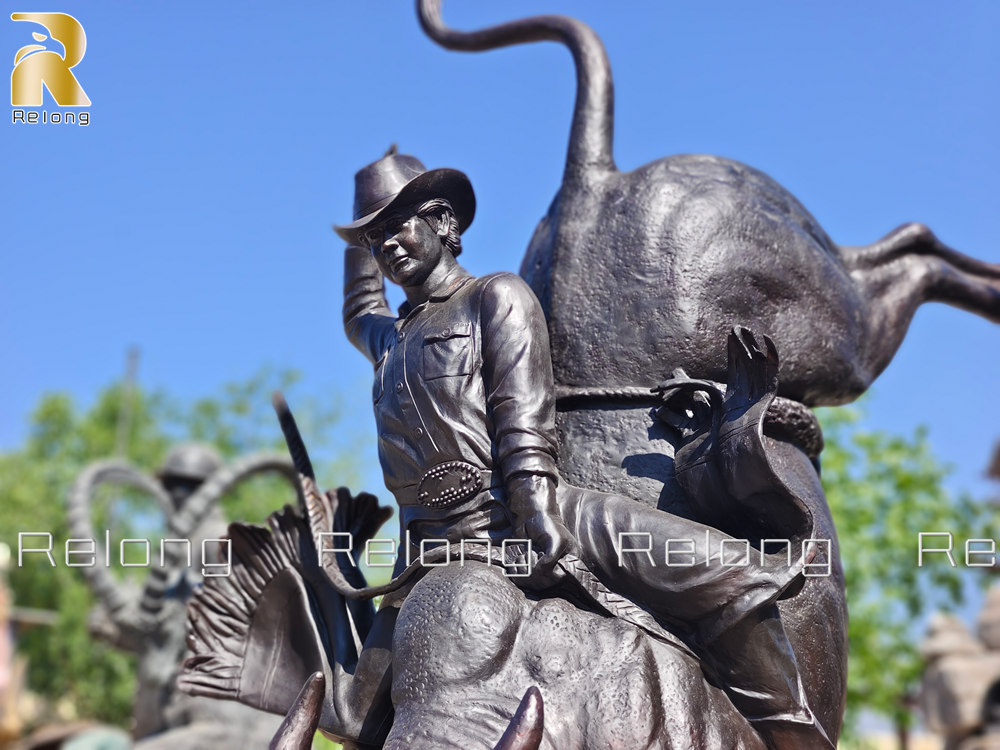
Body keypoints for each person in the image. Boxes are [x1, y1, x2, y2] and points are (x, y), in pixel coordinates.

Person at [334, 150, 835, 748]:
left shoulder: (497, 297)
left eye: (398, 227)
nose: (388, 246)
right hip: (428, 555)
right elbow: (359, 310)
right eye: (377, 238)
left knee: (726, 576)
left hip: (517, 510)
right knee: (357, 715)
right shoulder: (389, 340)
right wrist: (357, 236)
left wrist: (536, 509)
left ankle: (791, 733)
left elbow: (521, 415)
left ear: (444, 223)